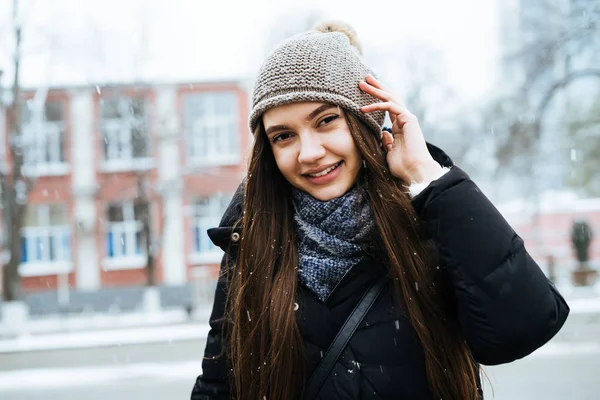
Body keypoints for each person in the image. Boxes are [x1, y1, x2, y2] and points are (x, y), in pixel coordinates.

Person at [191, 21, 569, 400]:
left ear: (365, 120)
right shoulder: (251, 242)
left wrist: (429, 176)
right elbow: (219, 386)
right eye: (284, 136)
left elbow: (523, 328)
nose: (309, 153)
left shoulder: (429, 221)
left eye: (326, 121)